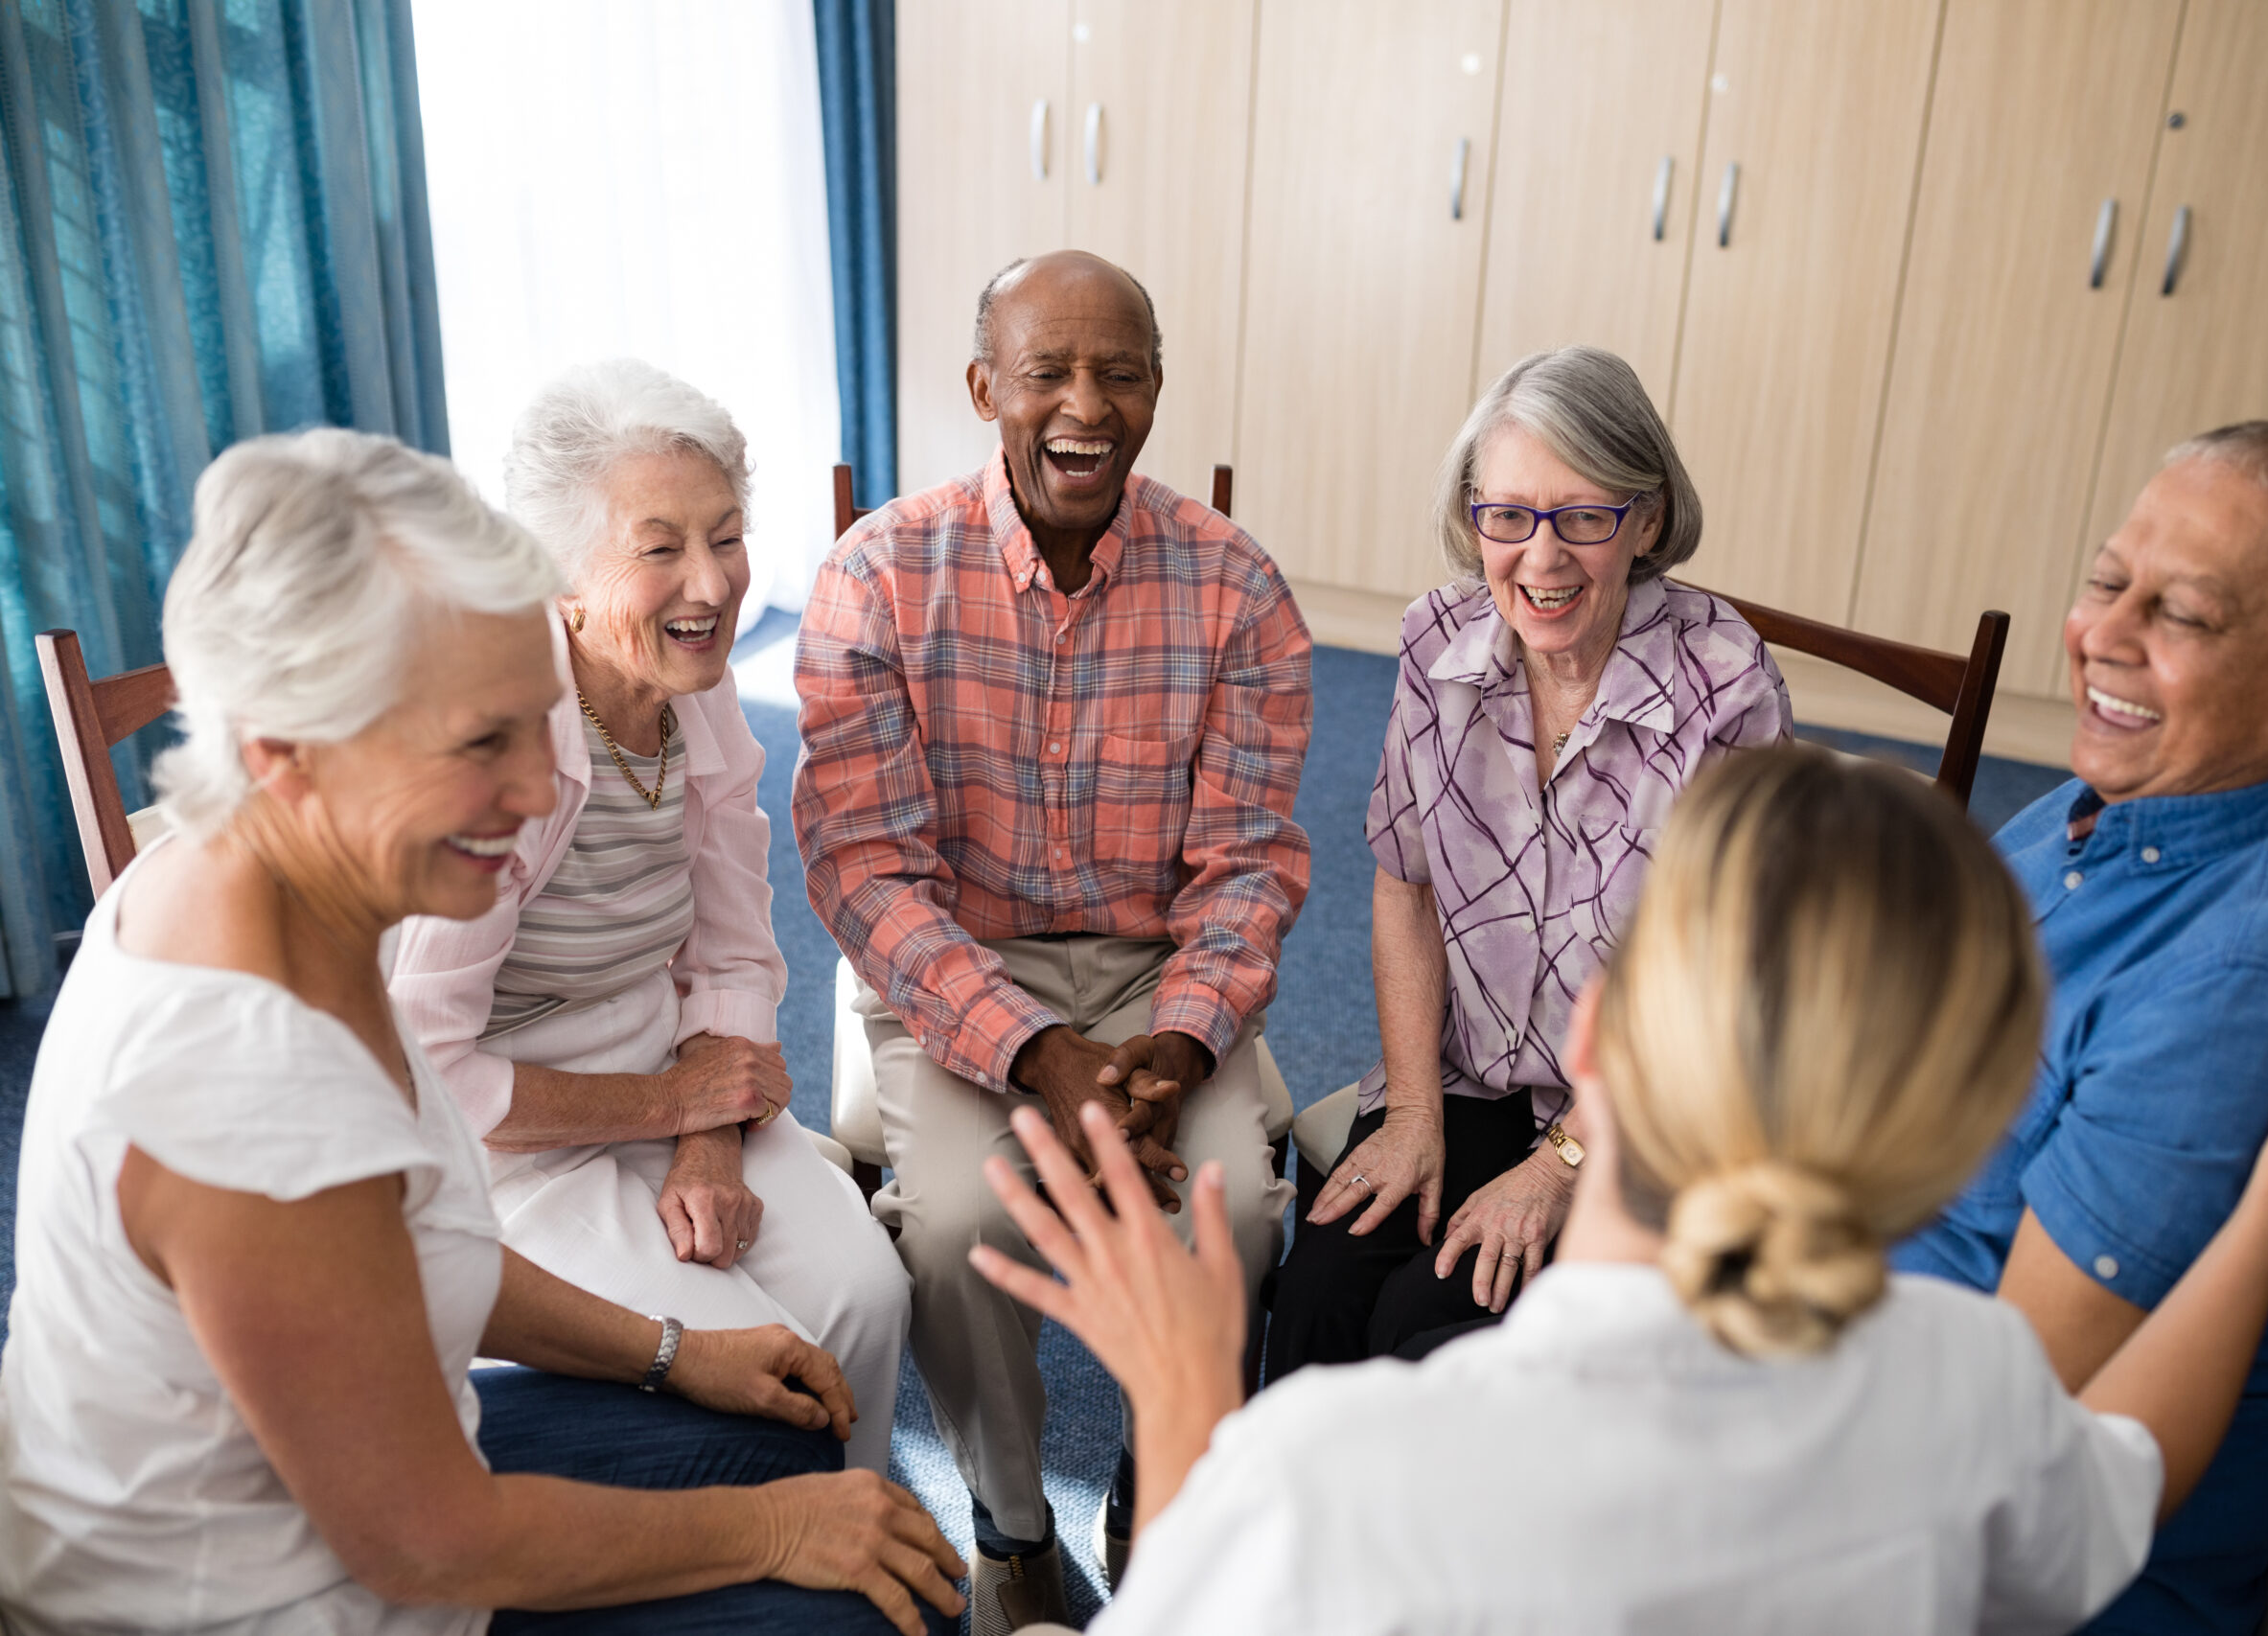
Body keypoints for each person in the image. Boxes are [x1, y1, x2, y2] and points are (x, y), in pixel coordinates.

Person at [970, 748, 2268, 1634]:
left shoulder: (1330, 1472)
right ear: (1958, 1129)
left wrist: (1178, 1415)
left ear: (1590, 1034)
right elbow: (2126, 1470)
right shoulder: (1971, 1382)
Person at [0, 430, 964, 1636]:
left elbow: (405, 1252)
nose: (534, 789)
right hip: (281, 1598)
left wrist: (670, 1352)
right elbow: (424, 1541)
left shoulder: (246, 885)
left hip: (351, 1490)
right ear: (284, 755)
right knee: (874, 1597)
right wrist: (773, 1530)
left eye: (533, 727)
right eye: (477, 744)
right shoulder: (249, 1092)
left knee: (796, 1433)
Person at [796, 250, 1308, 1628]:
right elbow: (868, 874)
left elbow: (1250, 862)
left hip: (1161, 976)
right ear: (983, 390)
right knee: (960, 1222)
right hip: (961, 968)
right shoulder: (879, 577)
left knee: (1240, 1210)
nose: (1087, 403)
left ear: (1157, 390)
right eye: (1048, 372)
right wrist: (1041, 1059)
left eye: (1121, 371)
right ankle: (1017, 1524)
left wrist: (1183, 1041)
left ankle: (1166, 1475)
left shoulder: (1238, 587)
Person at [1895, 422, 2268, 1635]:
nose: (2100, 633)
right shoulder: (2141, 792)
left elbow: (1991, 1432)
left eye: (2183, 616)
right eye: (2105, 582)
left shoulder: (2249, 990)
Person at [391, 360, 909, 1474]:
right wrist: (669, 1100)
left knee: (867, 1291)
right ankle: (765, 1553)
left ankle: (850, 1547)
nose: (713, 586)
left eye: (726, 536)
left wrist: (706, 1133)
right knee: (748, 1364)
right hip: (509, 1143)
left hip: (671, 1078)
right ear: (558, 580)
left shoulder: (693, 683)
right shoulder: (493, 746)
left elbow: (733, 942)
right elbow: (426, 1067)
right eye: (660, 546)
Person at [1267, 345, 1789, 1376]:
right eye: (1507, 515)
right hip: (1466, 1071)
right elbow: (1405, 884)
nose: (1540, 560)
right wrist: (1414, 1109)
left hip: (1639, 1112)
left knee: (1424, 1325)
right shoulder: (1436, 642)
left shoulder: (1725, 691)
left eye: (1583, 517)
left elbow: (1718, 986)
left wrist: (1562, 1167)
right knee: (1321, 1288)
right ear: (1473, 517)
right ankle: (1294, 1538)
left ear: (1644, 519)